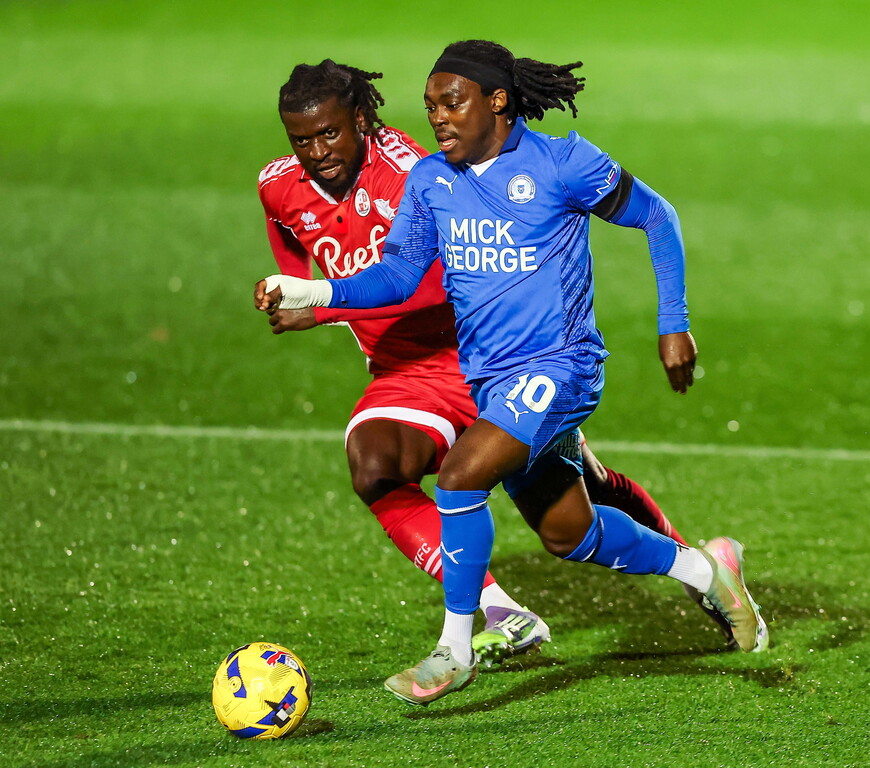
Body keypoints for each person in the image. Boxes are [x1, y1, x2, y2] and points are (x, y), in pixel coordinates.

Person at [255, 49, 763, 702]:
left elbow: (657, 217)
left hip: (563, 366)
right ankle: (706, 569)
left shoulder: (562, 163)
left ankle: (455, 649)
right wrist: (315, 295)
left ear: (497, 101)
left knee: (462, 474)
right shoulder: (432, 181)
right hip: (490, 378)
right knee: (568, 534)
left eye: (451, 102)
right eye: (431, 104)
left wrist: (674, 322)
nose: (435, 117)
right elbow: (399, 276)